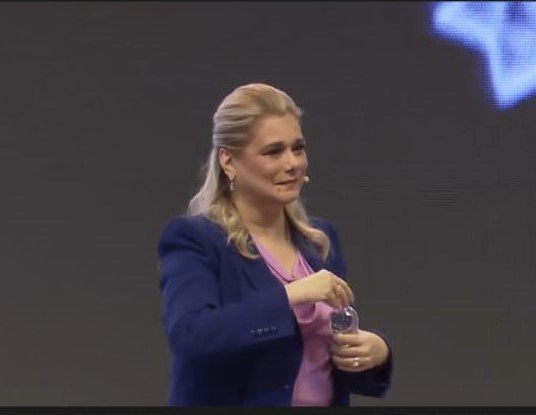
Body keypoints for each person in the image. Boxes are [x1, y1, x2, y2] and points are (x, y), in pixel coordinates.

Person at [157, 83, 392, 406]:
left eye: (298, 148)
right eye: (273, 151)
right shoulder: (196, 239)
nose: (292, 163)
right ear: (228, 161)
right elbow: (191, 337)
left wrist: (376, 353)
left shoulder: (319, 242)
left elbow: (321, 363)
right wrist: (291, 295)